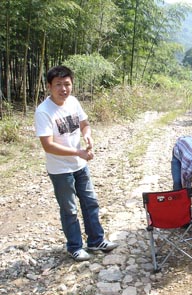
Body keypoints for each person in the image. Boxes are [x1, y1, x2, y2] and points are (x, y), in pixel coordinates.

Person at [34, 65, 118, 262]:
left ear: (71, 84)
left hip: (80, 165)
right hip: (60, 169)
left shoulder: (73, 102)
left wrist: (88, 137)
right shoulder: (43, 111)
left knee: (90, 203)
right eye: (58, 85)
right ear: (49, 86)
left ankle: (96, 241)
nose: (63, 89)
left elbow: (85, 124)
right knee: (69, 209)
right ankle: (74, 246)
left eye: (67, 84)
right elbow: (48, 146)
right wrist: (78, 152)